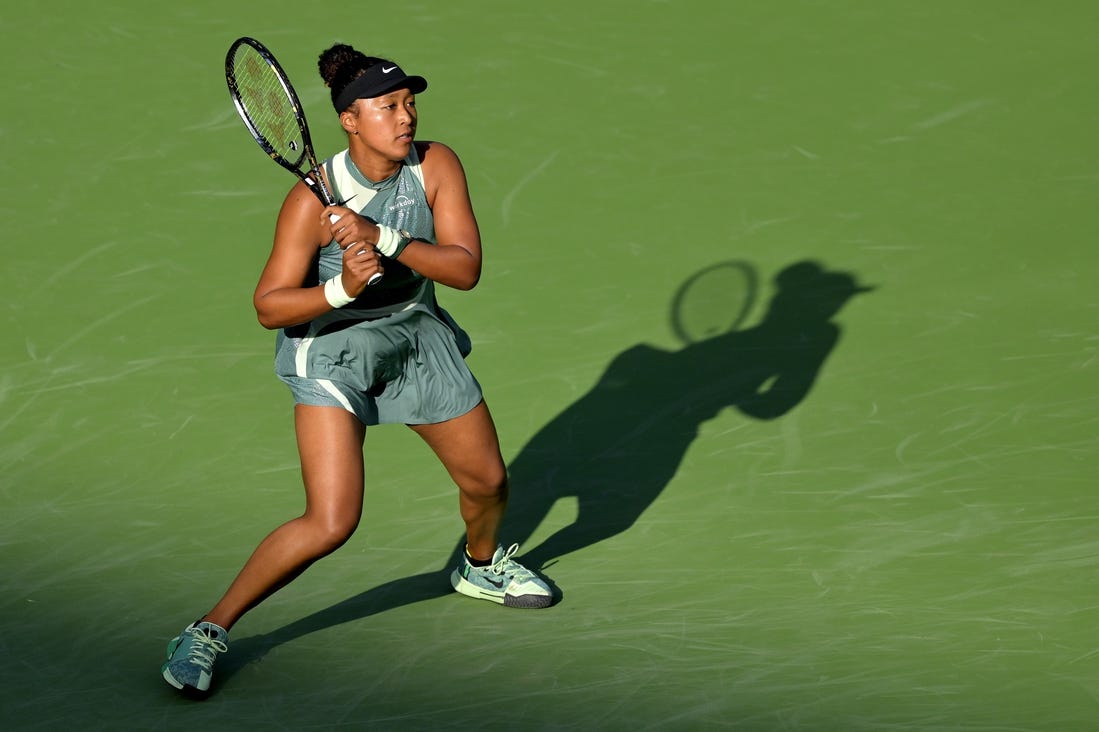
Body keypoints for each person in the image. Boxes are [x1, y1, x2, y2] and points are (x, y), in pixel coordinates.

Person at [162, 42, 551, 696]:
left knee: (487, 483)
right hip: (334, 350)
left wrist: (387, 239)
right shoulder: (309, 203)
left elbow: (464, 269)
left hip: (415, 336)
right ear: (350, 119)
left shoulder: (436, 165)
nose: (406, 117)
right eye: (389, 106)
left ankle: (478, 566)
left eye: (409, 103)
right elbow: (268, 305)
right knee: (332, 520)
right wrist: (340, 288)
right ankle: (207, 629)